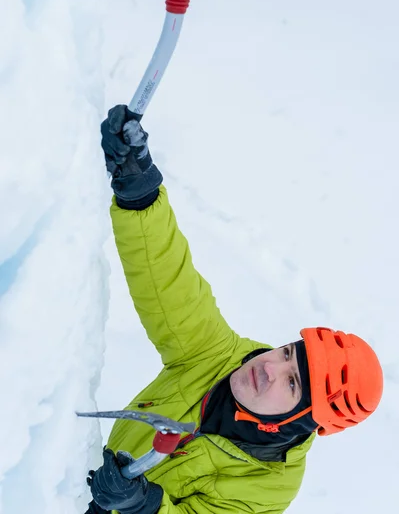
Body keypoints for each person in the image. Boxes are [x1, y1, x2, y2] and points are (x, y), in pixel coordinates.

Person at [85, 105, 383, 514]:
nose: (270, 367)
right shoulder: (215, 356)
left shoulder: (268, 487)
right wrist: (139, 192)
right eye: (286, 353)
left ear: (301, 422)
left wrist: (142, 505)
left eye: (293, 383)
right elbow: (167, 282)